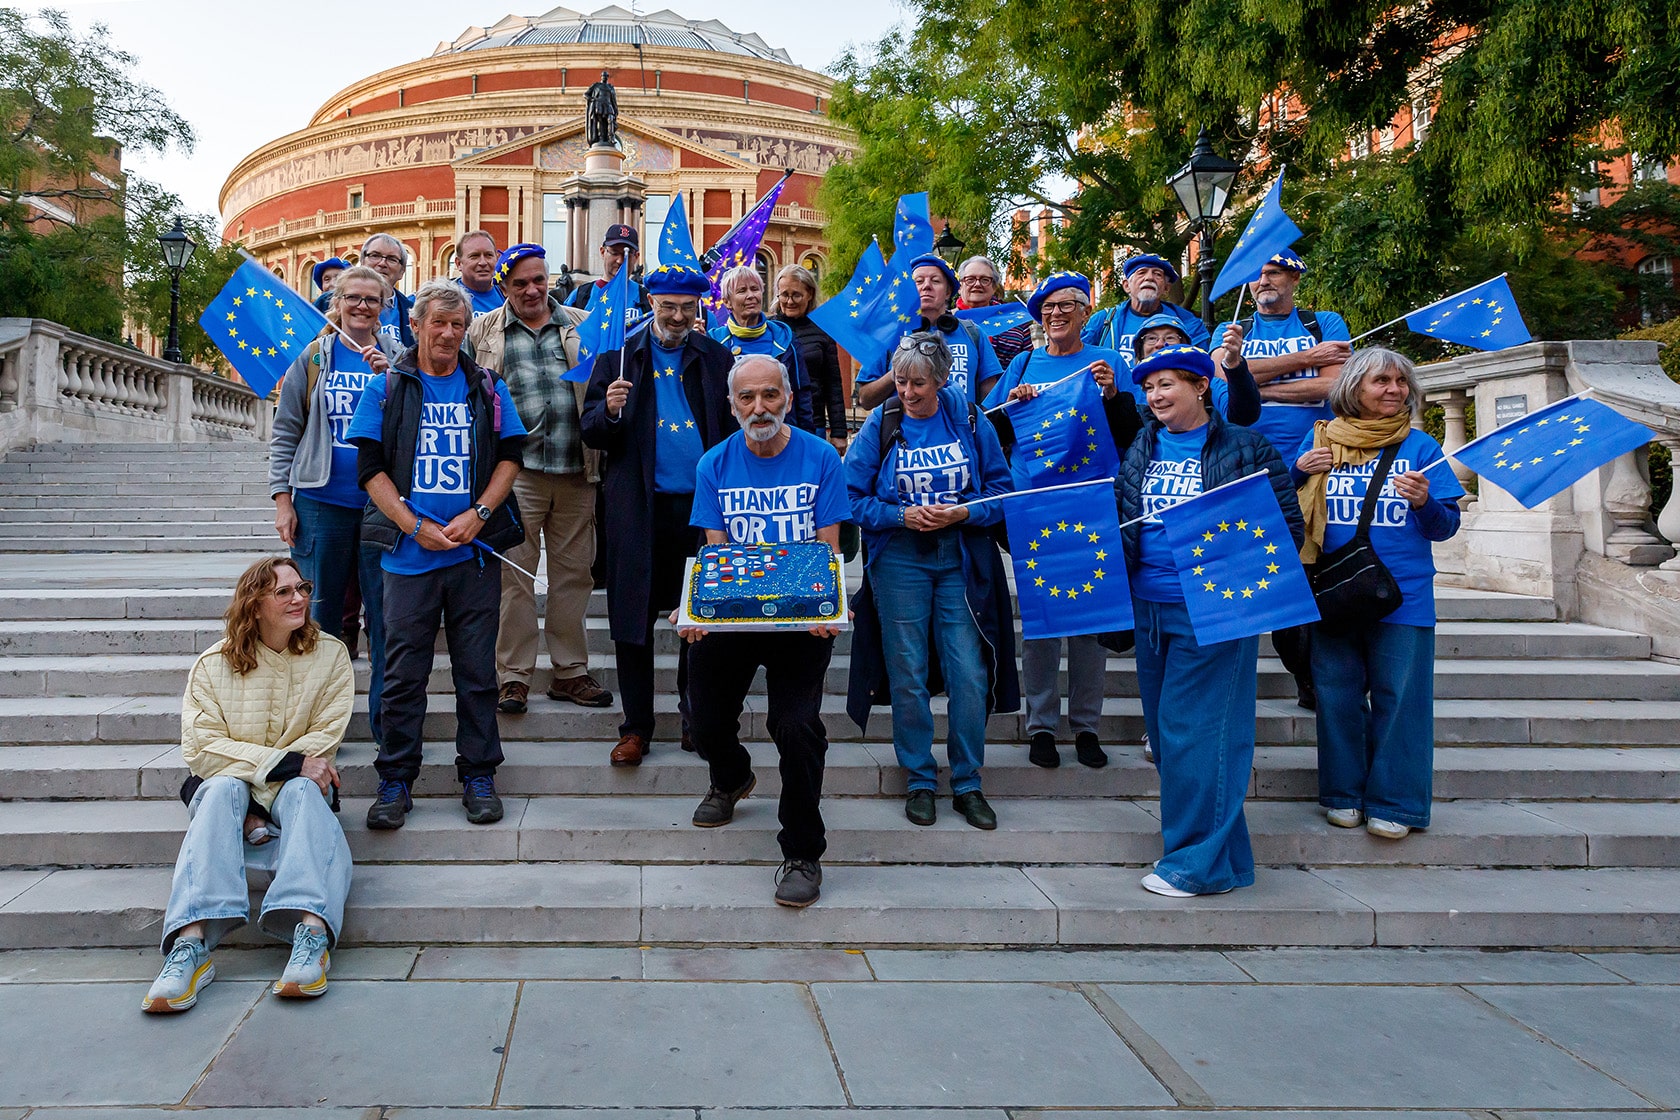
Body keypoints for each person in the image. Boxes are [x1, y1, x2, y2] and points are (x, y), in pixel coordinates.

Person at [1118, 343, 1303, 897]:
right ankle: (1225, 860)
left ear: (1201, 386)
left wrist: (1221, 561)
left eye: (1166, 385)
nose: (1155, 397)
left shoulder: (1247, 448)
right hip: (1150, 609)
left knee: (1195, 732)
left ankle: (1194, 865)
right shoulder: (1140, 447)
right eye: (1148, 388)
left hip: (1215, 611)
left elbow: (1285, 530)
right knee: (1175, 738)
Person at [347, 280, 527, 830]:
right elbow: (370, 470)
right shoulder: (386, 388)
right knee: (403, 675)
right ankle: (396, 780)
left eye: (457, 325)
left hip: (472, 559)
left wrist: (480, 513)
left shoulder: (488, 387)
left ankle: (478, 774)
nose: (448, 334)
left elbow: (511, 456)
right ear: (418, 326)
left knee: (477, 674)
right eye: (438, 324)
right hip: (407, 559)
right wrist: (413, 525)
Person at [143, 558, 353, 1013]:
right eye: (283, 592)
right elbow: (201, 749)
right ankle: (191, 947)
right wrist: (283, 767)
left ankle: (312, 935)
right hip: (237, 786)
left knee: (299, 790)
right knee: (219, 790)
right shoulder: (212, 665)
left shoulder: (332, 654)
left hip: (294, 791)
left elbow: (324, 739)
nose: (299, 598)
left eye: (302, 588)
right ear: (254, 605)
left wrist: (269, 782)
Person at [680, 354, 851, 907]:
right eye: (747, 398)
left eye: (770, 395)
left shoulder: (821, 457)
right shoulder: (713, 465)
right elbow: (714, 553)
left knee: (796, 726)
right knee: (703, 720)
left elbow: (829, 548)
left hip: (800, 620)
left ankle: (803, 852)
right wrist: (700, 616)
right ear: (731, 406)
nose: (759, 408)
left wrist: (828, 612)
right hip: (736, 614)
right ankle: (730, 776)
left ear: (788, 398)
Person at [845, 332, 1018, 830]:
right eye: (900, 381)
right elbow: (852, 497)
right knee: (907, 669)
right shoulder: (883, 422)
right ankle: (919, 778)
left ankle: (967, 781)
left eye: (919, 383)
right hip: (899, 557)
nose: (908, 392)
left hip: (960, 555)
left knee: (968, 671)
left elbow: (1001, 493)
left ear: (942, 380)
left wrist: (962, 511)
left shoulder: (968, 418)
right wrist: (901, 516)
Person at [1291, 347, 1463, 840]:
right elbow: (1283, 505)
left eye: (1400, 382)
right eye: (1381, 381)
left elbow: (1445, 527)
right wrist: (1300, 471)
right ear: (1354, 389)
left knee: (1400, 698)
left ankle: (1395, 802)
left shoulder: (1422, 447)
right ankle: (1343, 794)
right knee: (1337, 695)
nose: (1394, 390)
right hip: (1333, 591)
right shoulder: (1321, 437)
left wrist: (1427, 502)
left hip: (1402, 595)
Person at [581, 257, 734, 767]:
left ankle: (697, 719)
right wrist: (610, 409)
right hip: (635, 509)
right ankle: (636, 728)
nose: (676, 316)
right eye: (667, 306)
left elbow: (732, 433)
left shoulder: (715, 357)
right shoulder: (618, 359)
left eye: (687, 308)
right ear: (650, 304)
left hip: (702, 512)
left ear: (699, 309)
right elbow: (593, 433)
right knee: (632, 621)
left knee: (703, 618)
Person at [983, 272, 1131, 770]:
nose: (1055, 313)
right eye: (1046, 307)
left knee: (1091, 621)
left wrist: (1113, 398)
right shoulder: (1023, 362)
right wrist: (1015, 402)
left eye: (1066, 305)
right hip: (1036, 507)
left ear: (1086, 312)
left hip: (1091, 504)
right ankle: (1041, 725)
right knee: (1043, 623)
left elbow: (1133, 433)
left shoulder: (1108, 362)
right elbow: (991, 425)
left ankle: (1086, 725)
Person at [463, 243, 613, 716]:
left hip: (577, 467)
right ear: (503, 287)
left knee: (574, 575)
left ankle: (570, 671)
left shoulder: (580, 324)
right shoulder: (481, 331)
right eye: (520, 283)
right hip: (515, 473)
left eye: (539, 279)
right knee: (515, 577)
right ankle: (514, 676)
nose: (532, 290)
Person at [1212, 251, 1353, 711]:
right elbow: (1223, 383)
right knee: (1254, 571)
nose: (1262, 282)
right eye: (1256, 276)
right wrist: (1308, 360)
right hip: (1245, 465)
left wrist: (1254, 382)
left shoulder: (1324, 322)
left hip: (1317, 461)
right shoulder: (1232, 331)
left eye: (1272, 273)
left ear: (1294, 278)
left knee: (1304, 573)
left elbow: (1334, 387)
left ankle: (1307, 676)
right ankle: (1233, 679)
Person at [269, 264, 398, 746]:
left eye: (372, 299)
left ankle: (388, 726)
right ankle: (321, 729)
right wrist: (284, 501)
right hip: (321, 502)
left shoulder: (399, 358)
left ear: (385, 307)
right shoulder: (313, 359)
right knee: (316, 619)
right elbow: (285, 433)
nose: (362, 306)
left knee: (385, 619)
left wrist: (394, 382)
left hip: (381, 506)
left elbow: (418, 421)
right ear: (336, 302)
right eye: (353, 298)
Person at [855, 254, 1003, 409]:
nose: (926, 286)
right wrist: (896, 375)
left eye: (935, 281)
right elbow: (865, 399)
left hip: (959, 430)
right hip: (905, 432)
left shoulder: (973, 333)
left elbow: (990, 398)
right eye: (918, 281)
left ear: (948, 292)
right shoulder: (888, 335)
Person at [709, 264, 814, 431]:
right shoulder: (714, 341)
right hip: (733, 437)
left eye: (755, 289)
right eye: (742, 291)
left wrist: (807, 437)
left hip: (782, 434)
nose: (751, 295)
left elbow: (802, 393)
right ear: (727, 302)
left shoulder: (784, 338)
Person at [1082, 254, 1210, 365]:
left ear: (1166, 288)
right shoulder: (1104, 320)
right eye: (1141, 272)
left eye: (1157, 274)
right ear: (1127, 286)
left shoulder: (1188, 322)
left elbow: (1203, 367)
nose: (1149, 278)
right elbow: (1079, 358)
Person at [772, 263, 848, 449]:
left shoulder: (823, 331)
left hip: (814, 424)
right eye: (784, 295)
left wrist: (839, 432)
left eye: (796, 295)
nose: (789, 301)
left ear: (810, 295)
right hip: (774, 423)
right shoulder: (769, 329)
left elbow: (833, 384)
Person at [956, 254, 1033, 369]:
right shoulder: (947, 321)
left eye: (985, 280)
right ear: (959, 286)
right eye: (970, 279)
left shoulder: (1017, 323)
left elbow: (1029, 364)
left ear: (994, 287)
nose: (977, 284)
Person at [566, 223, 648, 327]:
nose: (620, 260)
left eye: (627, 255)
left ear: (636, 257)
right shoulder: (580, 296)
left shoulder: (646, 298)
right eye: (614, 253)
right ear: (602, 252)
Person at [359, 233, 415, 350]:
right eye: (375, 255)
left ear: (402, 271)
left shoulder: (414, 313)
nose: (382, 263)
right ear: (362, 262)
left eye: (392, 259)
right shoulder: (334, 303)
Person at [455, 229, 505, 318]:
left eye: (489, 255)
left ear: (497, 259)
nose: (483, 262)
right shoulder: (444, 298)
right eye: (474, 256)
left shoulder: (509, 296)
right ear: (459, 263)